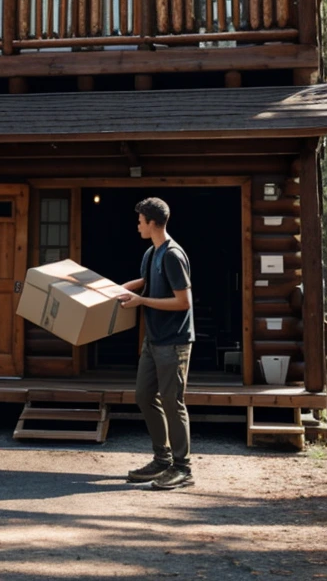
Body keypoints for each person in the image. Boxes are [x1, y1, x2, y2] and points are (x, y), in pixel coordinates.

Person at [119, 196, 195, 489]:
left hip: (174, 343)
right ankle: (161, 461)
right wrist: (126, 287)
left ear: (152, 223)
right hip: (153, 340)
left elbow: (183, 301)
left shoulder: (173, 254)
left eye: (140, 220)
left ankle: (182, 468)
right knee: (143, 395)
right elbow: (148, 280)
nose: (137, 225)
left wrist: (141, 301)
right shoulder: (152, 254)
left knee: (172, 403)